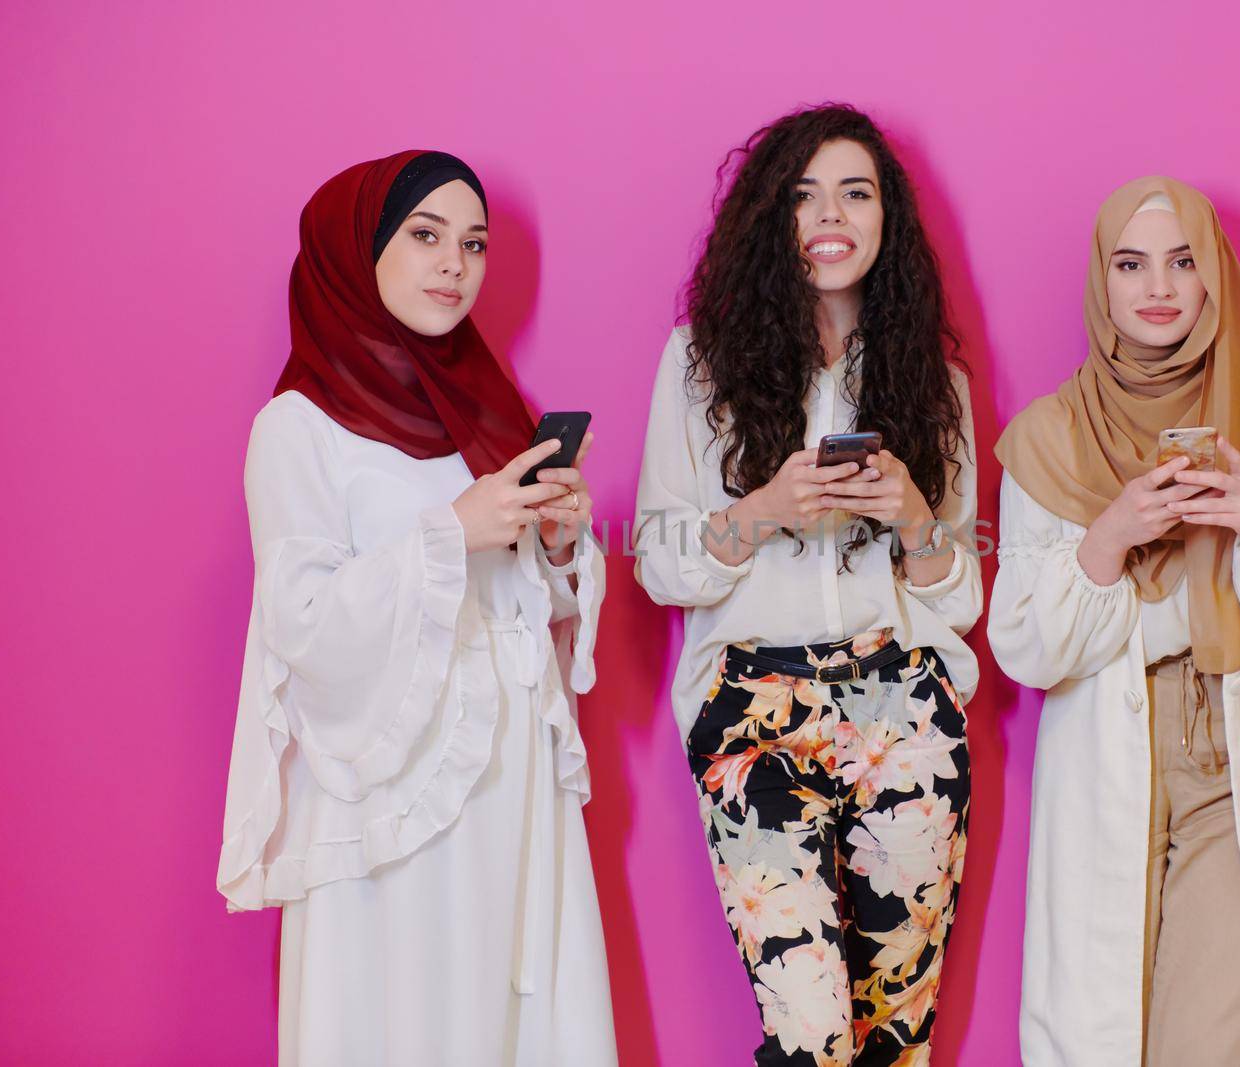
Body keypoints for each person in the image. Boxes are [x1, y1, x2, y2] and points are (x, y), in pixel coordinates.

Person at [216, 150, 616, 1065]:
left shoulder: (488, 411)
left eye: (473, 244)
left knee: (512, 1012)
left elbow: (524, 605)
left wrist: (555, 543)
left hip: (507, 775)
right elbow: (301, 617)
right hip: (394, 786)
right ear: (358, 252)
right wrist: (451, 531)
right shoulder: (297, 426)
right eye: (425, 235)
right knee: (406, 1010)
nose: (454, 265)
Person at [634, 105, 981, 1066]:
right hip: (754, 703)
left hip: (902, 699)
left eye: (855, 193)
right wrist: (768, 506)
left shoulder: (933, 380)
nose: (831, 214)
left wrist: (912, 508)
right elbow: (661, 562)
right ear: (770, 219)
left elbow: (959, 595)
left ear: (887, 218)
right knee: (811, 1034)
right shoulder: (699, 363)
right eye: (804, 195)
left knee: (896, 1036)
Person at [989, 176, 1240, 1065]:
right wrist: (1116, 530)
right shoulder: (1048, 437)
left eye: (1182, 261)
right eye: (1132, 263)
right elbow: (1025, 648)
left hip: (1232, 759)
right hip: (1106, 757)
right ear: (1102, 281)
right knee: (1104, 1039)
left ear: (1210, 281)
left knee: (1211, 1044)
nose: (1157, 286)